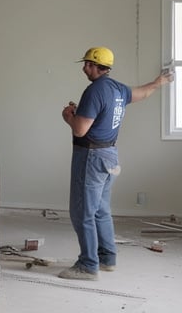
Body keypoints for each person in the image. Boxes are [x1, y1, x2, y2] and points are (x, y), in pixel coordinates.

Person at [59, 46, 173, 280]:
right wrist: (158, 82)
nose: (84, 68)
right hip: (110, 155)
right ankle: (107, 258)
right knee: (101, 210)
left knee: (82, 213)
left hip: (90, 157)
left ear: (94, 65)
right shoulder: (118, 88)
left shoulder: (94, 91)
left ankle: (88, 265)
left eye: (87, 64)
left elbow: (81, 129)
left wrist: (68, 116)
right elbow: (141, 93)